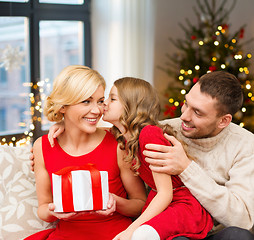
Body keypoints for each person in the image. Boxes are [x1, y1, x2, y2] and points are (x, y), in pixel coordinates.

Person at [25, 65, 147, 240]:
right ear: (62, 106)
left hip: (115, 234)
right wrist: (56, 211)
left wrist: (114, 201)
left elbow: (140, 204)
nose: (97, 110)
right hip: (66, 235)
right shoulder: (42, 147)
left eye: (100, 101)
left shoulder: (117, 142)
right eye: (86, 101)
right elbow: (43, 209)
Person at [143, 71, 254, 240]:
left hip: (216, 234)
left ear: (223, 121)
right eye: (186, 104)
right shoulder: (164, 130)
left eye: (198, 113)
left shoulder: (245, 145)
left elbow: (242, 220)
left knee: (239, 236)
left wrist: (186, 168)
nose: (184, 116)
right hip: (172, 229)